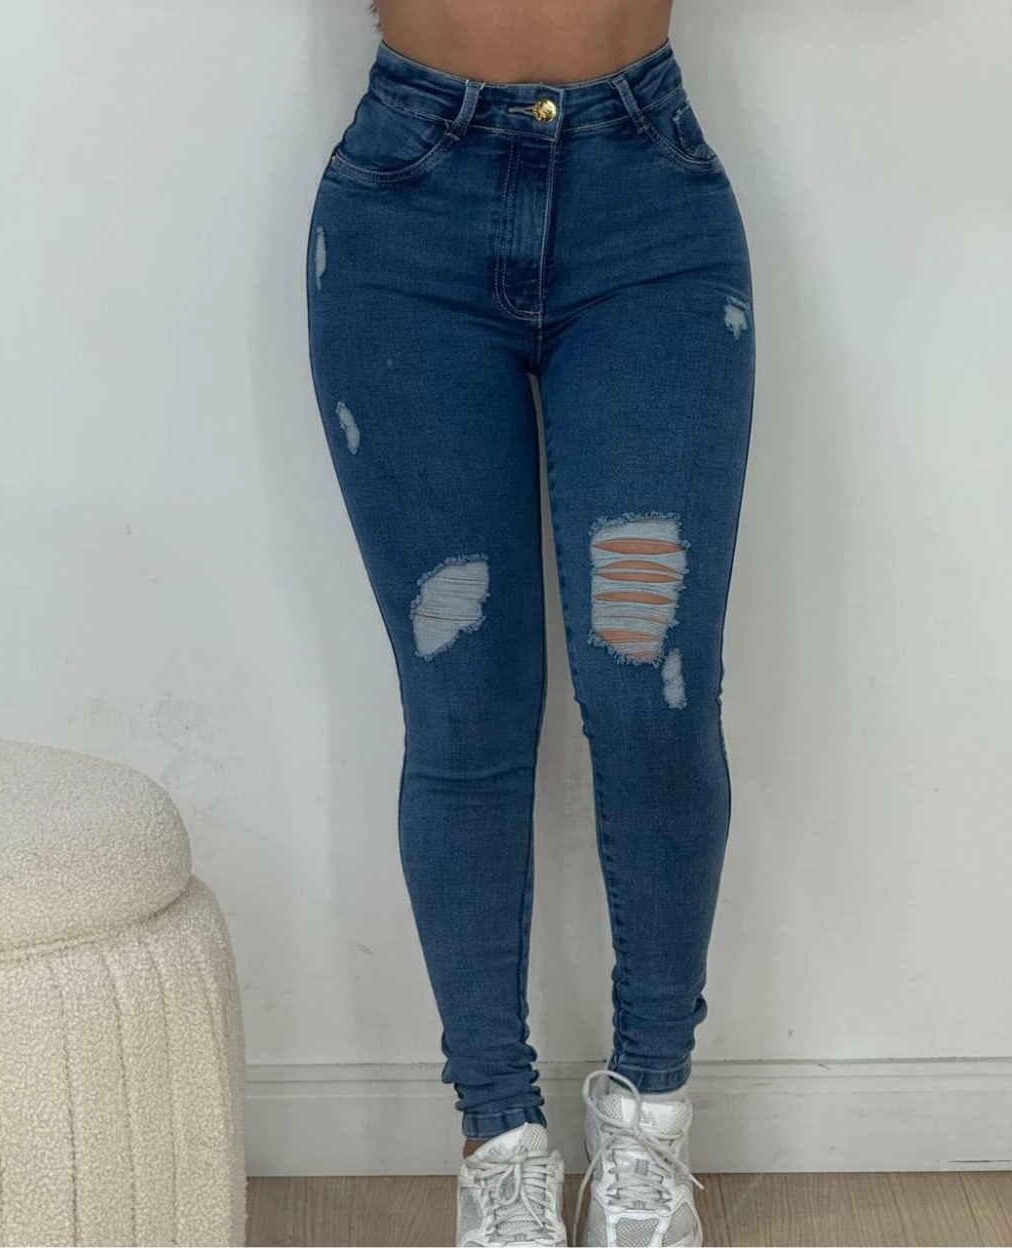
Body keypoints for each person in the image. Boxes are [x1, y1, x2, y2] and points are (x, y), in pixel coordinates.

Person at [307, 2, 755, 1244]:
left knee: (652, 701)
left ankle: (650, 1115)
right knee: (464, 712)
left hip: (647, 203)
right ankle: (497, 1134)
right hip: (405, 210)